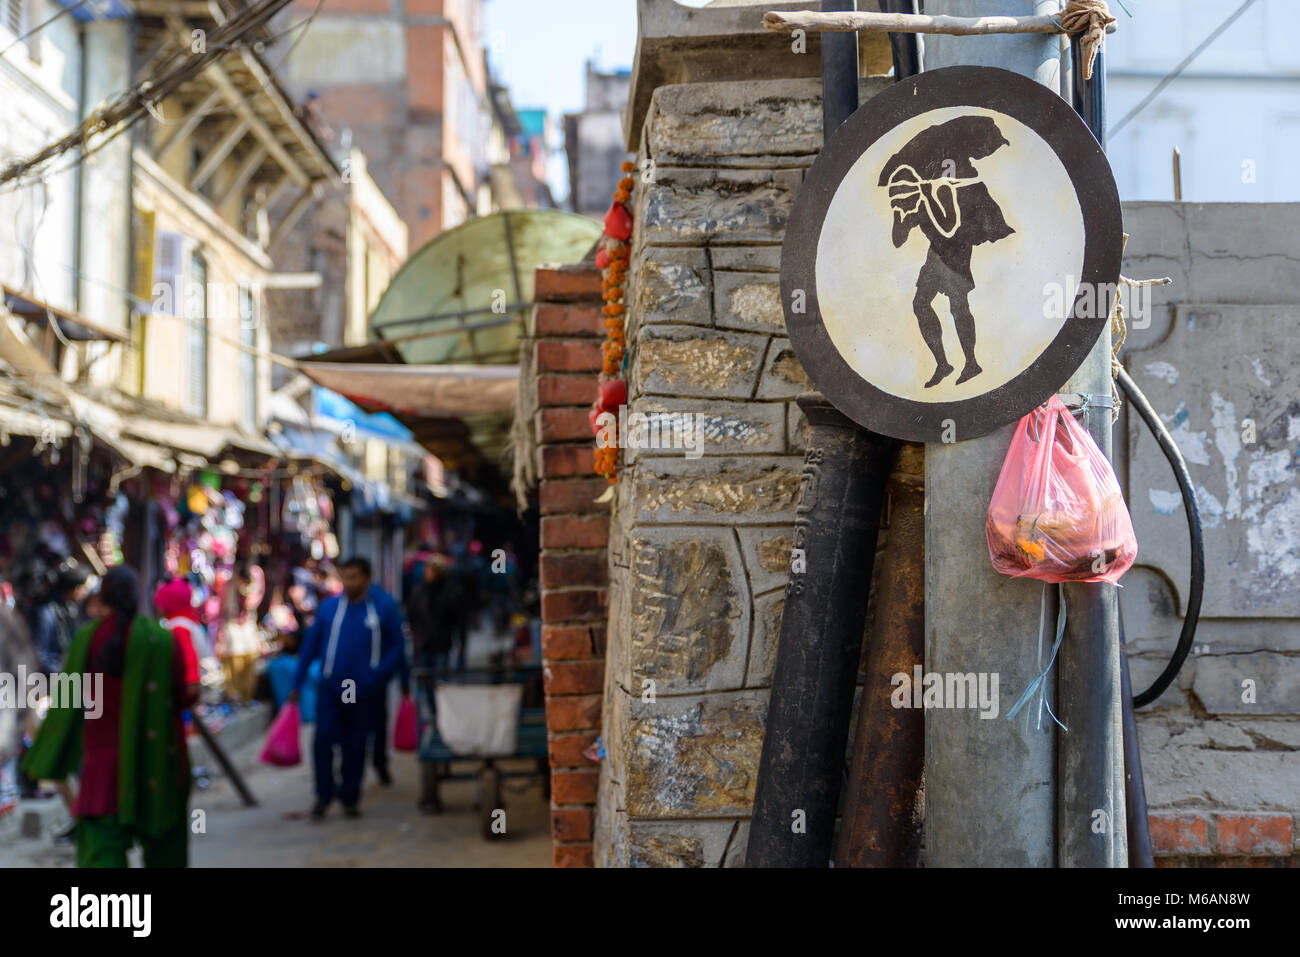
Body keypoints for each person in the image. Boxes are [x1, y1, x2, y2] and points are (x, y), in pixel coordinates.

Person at [22, 565, 199, 868]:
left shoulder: (86, 640)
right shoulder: (161, 640)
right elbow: (184, 699)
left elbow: (66, 707)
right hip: (157, 765)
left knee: (101, 860)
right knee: (165, 849)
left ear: (102, 600)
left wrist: (47, 758)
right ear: (139, 597)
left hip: (103, 774)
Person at [290, 557, 404, 819]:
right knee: (323, 740)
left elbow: (396, 647)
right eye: (345, 577)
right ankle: (323, 794)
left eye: (354, 577)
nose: (349, 582)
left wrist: (377, 675)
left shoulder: (383, 608)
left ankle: (350, 796)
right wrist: (297, 683)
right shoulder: (329, 609)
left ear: (366, 578)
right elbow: (310, 647)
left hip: (363, 690)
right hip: (331, 687)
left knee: (356, 743)